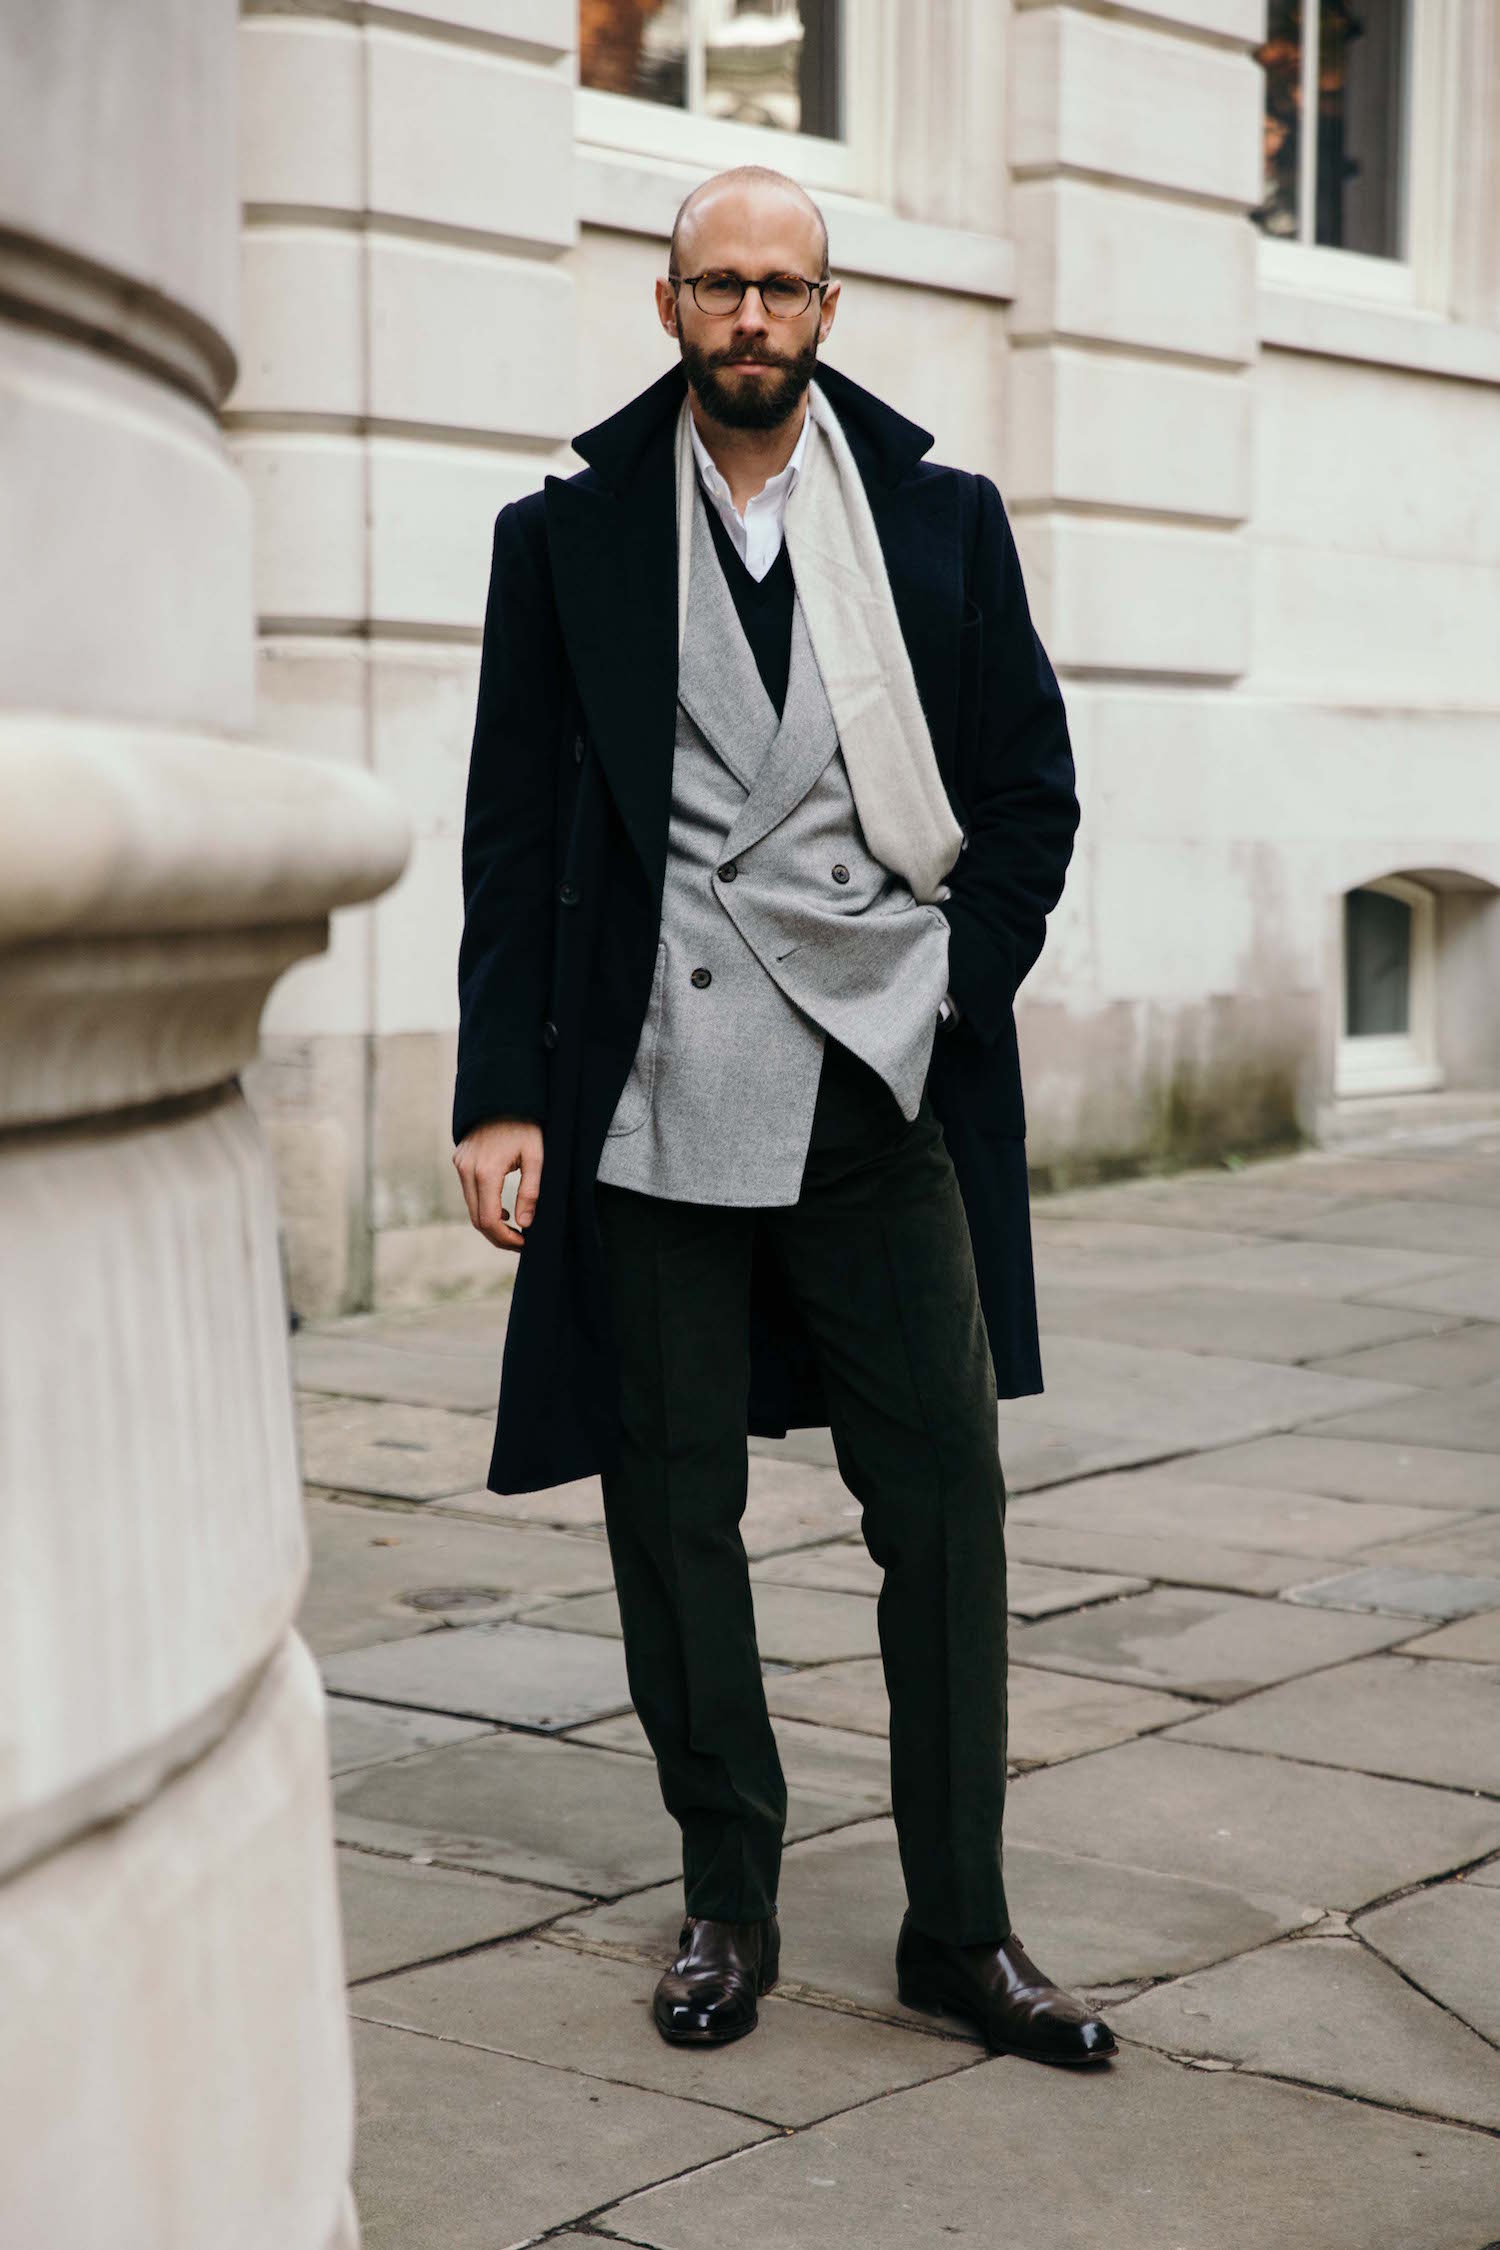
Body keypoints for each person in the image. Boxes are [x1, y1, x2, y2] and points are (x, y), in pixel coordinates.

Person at [452, 163, 1114, 2067]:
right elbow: (508, 828)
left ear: (830, 311)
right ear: (668, 305)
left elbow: (1031, 802)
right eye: (720, 286)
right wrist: (504, 1091)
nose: (753, 317)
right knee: (675, 1514)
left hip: (871, 1094)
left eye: (786, 288)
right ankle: (726, 1898)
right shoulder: (560, 536)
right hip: (653, 1092)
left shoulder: (936, 519)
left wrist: (945, 990)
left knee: (948, 1512)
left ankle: (961, 1929)